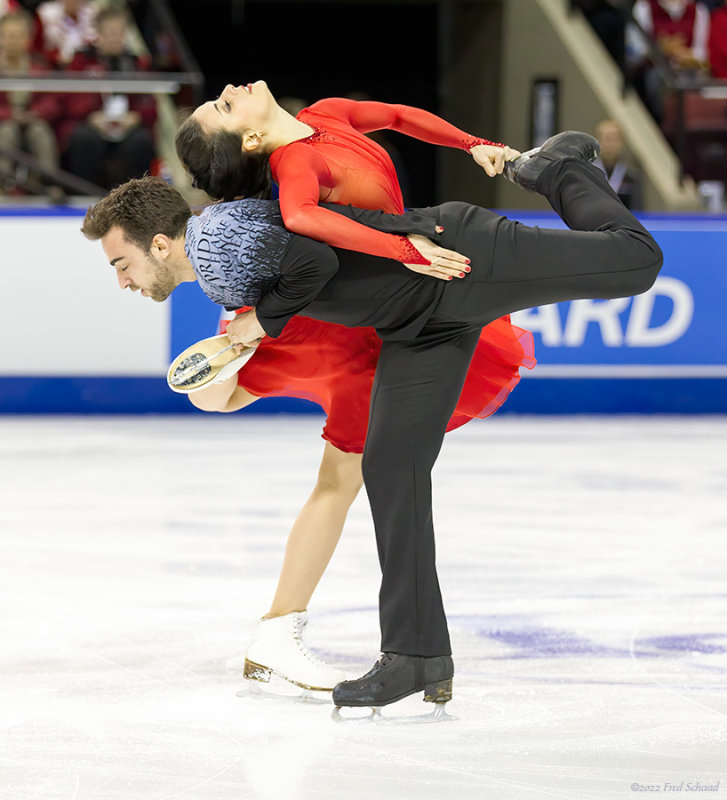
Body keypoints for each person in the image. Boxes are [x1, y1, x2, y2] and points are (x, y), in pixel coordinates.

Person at [81, 131, 664, 710]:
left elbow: (315, 259)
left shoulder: (220, 245)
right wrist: (243, 339)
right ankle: (416, 656)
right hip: (417, 323)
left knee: (635, 262)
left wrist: (262, 323)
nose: (121, 280)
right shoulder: (221, 267)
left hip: (459, 260)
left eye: (120, 263)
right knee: (390, 467)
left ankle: (560, 168)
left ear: (158, 244)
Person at [173, 82, 534, 691]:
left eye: (219, 98)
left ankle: (296, 633)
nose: (230, 89)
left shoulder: (324, 117)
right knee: (336, 475)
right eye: (226, 107)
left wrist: (472, 143)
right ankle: (279, 632)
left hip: (389, 307)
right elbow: (300, 216)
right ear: (254, 139)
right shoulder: (295, 164)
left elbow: (395, 114)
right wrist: (403, 248)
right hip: (350, 319)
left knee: (346, 475)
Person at [60, 5, 155, 189]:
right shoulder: (81, 60)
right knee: (83, 139)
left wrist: (136, 117)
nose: (114, 38)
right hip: (92, 123)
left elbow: (150, 103)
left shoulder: (137, 63)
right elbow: (69, 99)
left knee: (141, 141)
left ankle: (135, 198)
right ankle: (84, 195)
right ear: (98, 34)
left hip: (128, 125)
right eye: (110, 33)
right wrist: (91, 116)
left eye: (119, 33)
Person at [0, 8, 62, 198]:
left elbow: (54, 101)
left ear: (28, 39)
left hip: (33, 120)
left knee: (41, 133)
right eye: (7, 36)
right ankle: (3, 185)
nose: (12, 41)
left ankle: (50, 184)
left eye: (17, 36)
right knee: (6, 133)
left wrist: (36, 113)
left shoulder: (40, 66)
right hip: (5, 121)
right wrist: (10, 114)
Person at [594, 118, 643, 209]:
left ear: (622, 142)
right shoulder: (586, 174)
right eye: (604, 138)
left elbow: (638, 212)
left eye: (613, 139)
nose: (608, 144)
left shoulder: (632, 176)